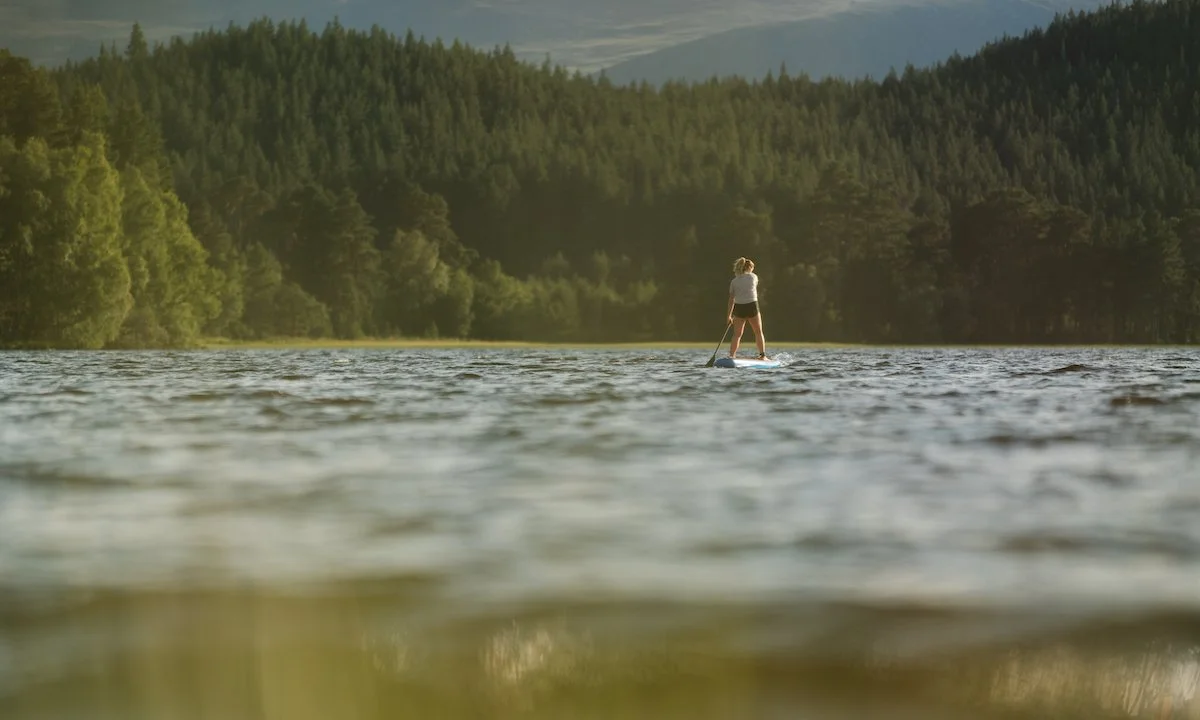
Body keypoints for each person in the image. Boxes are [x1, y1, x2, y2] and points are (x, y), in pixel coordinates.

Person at [726, 256, 767, 359]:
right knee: (758, 332)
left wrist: (729, 316)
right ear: (749, 268)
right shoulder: (753, 277)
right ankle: (762, 355)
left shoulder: (734, 281)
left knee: (737, 335)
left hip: (739, 308)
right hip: (752, 306)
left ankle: (732, 356)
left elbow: (731, 300)